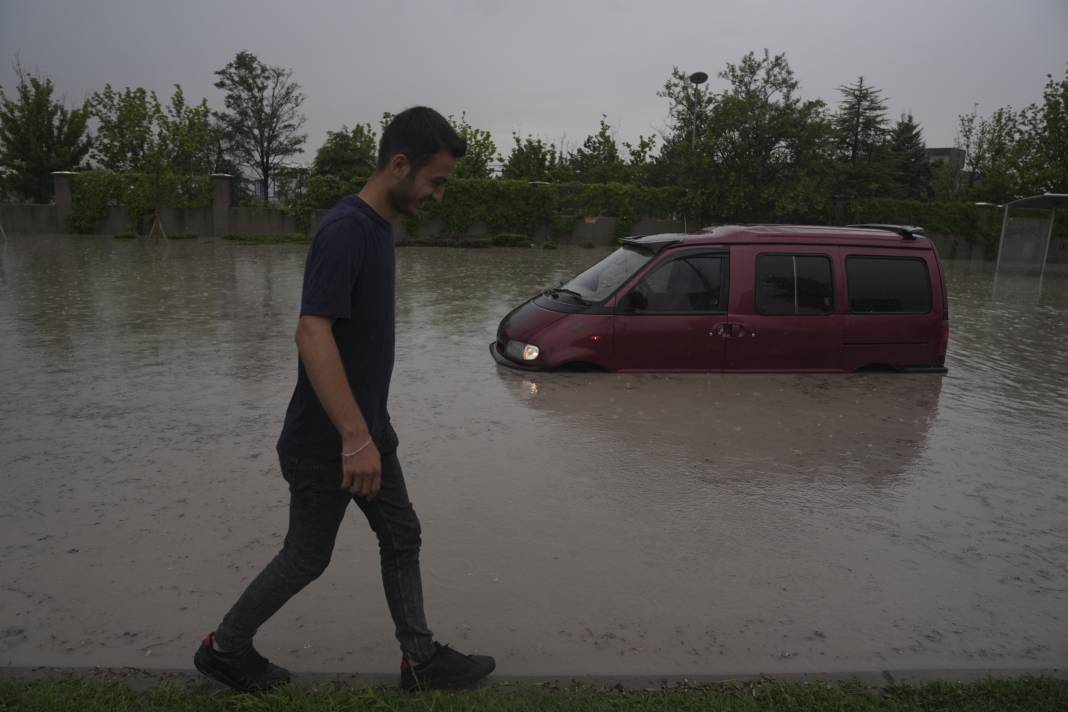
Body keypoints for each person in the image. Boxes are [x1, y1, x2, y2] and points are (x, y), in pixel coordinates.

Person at [193, 107, 495, 693]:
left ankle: (420, 660)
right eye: (435, 181)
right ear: (399, 165)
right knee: (307, 557)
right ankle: (224, 649)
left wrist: (373, 429)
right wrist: (355, 438)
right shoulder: (346, 229)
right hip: (327, 443)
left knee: (401, 534)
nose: (438, 195)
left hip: (366, 433)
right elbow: (312, 332)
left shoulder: (379, 228)